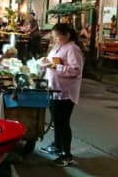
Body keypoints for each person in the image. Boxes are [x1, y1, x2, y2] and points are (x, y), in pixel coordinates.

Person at [41, 23, 84, 167]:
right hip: (54, 89)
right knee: (56, 121)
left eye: (57, 36)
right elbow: (52, 61)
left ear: (67, 35)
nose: (55, 39)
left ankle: (67, 155)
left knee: (63, 123)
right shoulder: (58, 46)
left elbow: (75, 71)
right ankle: (57, 146)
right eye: (54, 37)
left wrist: (55, 66)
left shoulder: (73, 49)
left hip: (65, 92)